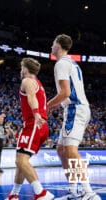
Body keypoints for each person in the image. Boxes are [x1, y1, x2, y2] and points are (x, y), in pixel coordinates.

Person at [48, 34, 101, 200]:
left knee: (70, 150)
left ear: (58, 45)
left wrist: (47, 106)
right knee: (61, 150)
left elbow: (65, 92)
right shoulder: (72, 63)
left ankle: (88, 192)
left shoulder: (61, 63)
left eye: (53, 43)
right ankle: (73, 190)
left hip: (75, 108)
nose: (51, 47)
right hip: (76, 108)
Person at [6, 58, 54, 200]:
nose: (21, 71)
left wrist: (36, 113)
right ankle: (14, 195)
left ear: (26, 69)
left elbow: (31, 98)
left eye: (22, 68)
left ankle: (41, 193)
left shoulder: (27, 81)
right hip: (40, 124)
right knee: (21, 160)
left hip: (34, 123)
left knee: (21, 161)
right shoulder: (38, 82)